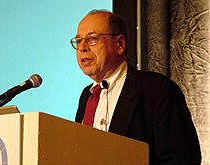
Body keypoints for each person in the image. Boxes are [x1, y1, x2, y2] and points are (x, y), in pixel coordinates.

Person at [70, 9, 201, 164]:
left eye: (92, 39)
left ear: (120, 44)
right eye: (78, 41)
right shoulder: (87, 96)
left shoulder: (158, 90)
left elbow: (182, 158)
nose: (82, 47)